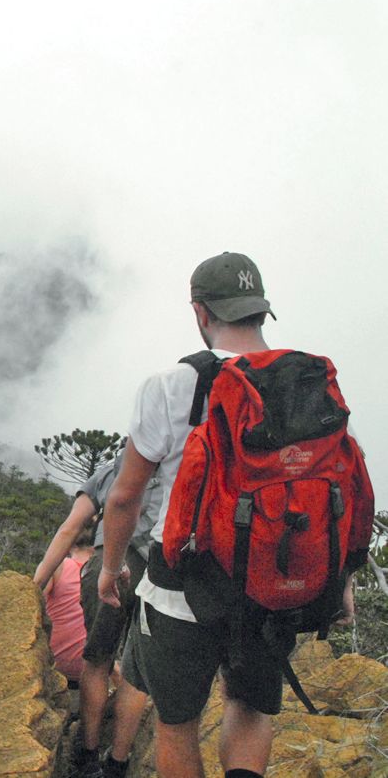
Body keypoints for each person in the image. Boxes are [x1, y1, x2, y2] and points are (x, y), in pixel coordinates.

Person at [97, 252, 357, 778]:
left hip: (181, 590)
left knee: (178, 722)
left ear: (200, 312)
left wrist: (110, 567)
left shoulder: (170, 385)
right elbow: (337, 486)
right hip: (273, 580)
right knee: (249, 707)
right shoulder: (308, 381)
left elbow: (125, 496)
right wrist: (339, 576)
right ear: (262, 312)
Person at [34, 452, 159, 778]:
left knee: (98, 661)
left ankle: (88, 756)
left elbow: (70, 528)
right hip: (163, 571)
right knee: (137, 672)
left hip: (112, 562)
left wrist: (34, 587)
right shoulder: (183, 463)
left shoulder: (118, 466)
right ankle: (118, 762)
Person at [41, 530, 95, 686]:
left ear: (70, 544)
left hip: (53, 663)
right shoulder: (106, 573)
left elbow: (34, 602)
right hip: (91, 669)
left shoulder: (58, 567)